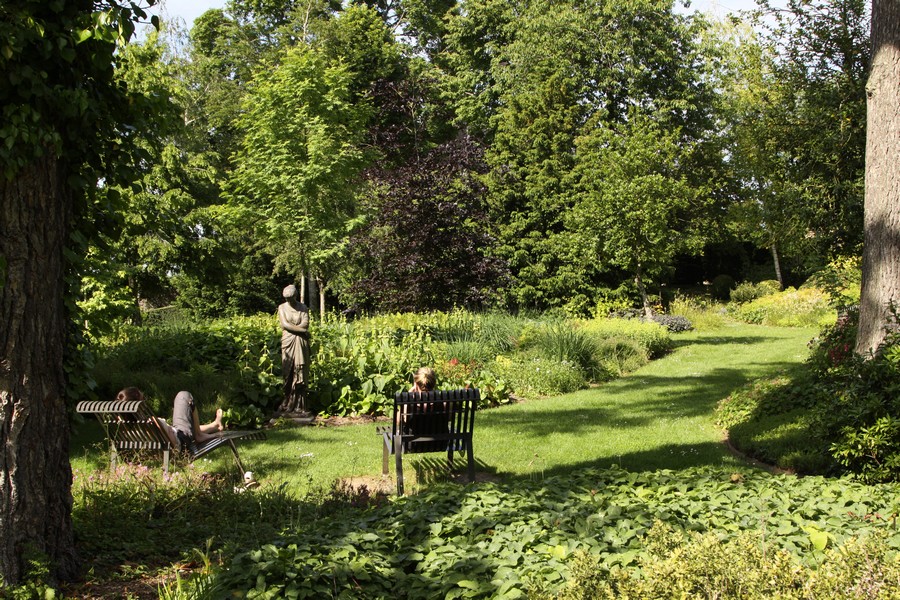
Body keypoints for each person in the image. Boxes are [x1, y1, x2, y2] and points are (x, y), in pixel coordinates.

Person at [116, 387, 223, 449]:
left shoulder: (122, 427)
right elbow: (173, 444)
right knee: (183, 395)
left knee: (182, 427)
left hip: (177, 433)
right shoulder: (151, 424)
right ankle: (199, 435)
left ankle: (215, 425)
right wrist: (166, 428)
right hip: (182, 441)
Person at [278, 284, 310, 414]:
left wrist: (298, 329)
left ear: (295, 296)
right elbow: (284, 324)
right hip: (288, 342)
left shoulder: (303, 307)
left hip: (300, 343)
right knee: (287, 373)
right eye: (286, 299)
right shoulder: (282, 307)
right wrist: (302, 330)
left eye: (290, 299)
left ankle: (299, 405)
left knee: (300, 371)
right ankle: (287, 400)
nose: (288, 301)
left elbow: (305, 323)